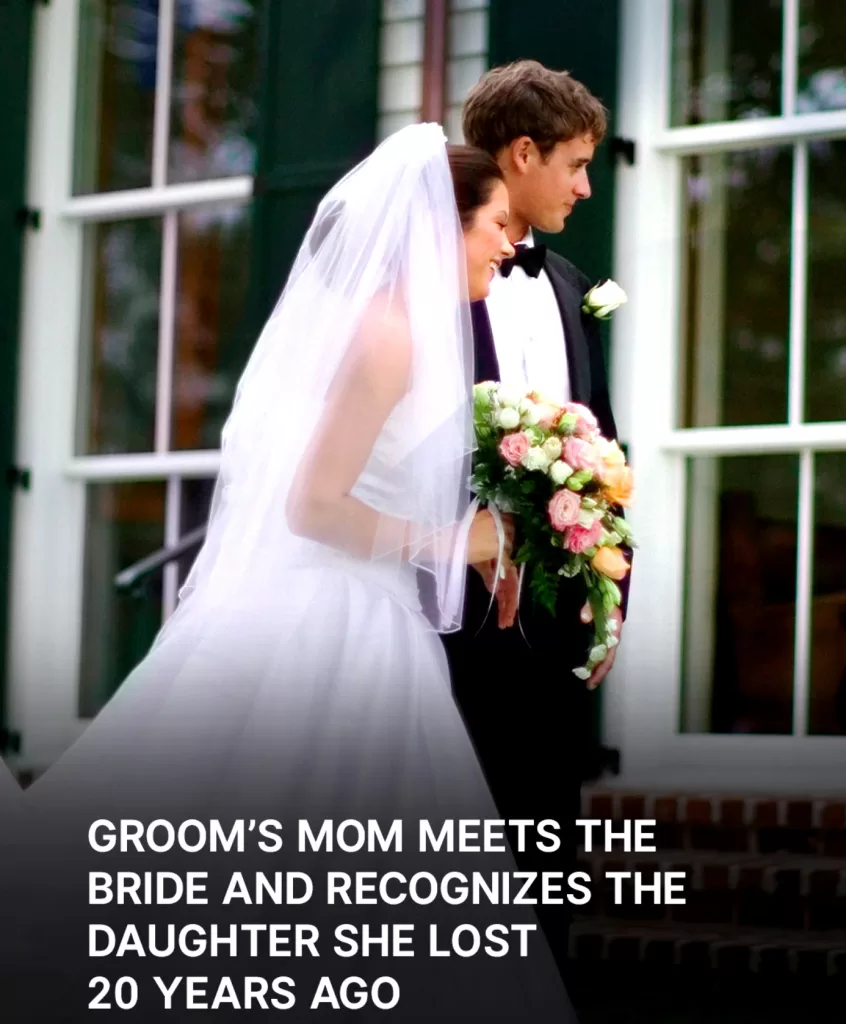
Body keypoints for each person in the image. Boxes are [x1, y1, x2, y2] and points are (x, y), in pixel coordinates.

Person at [9, 124, 579, 1023]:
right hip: (333, 627)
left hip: (374, 620)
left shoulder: (424, 336)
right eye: (497, 224)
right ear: (441, 226)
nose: (511, 245)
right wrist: (455, 541)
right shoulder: (390, 335)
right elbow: (312, 506)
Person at [443, 61, 632, 976]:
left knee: (546, 845)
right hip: (448, 609)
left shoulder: (568, 283)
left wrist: (608, 588)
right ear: (522, 153)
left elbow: (603, 443)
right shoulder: (429, 282)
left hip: (555, 615)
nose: (585, 186)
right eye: (575, 164)